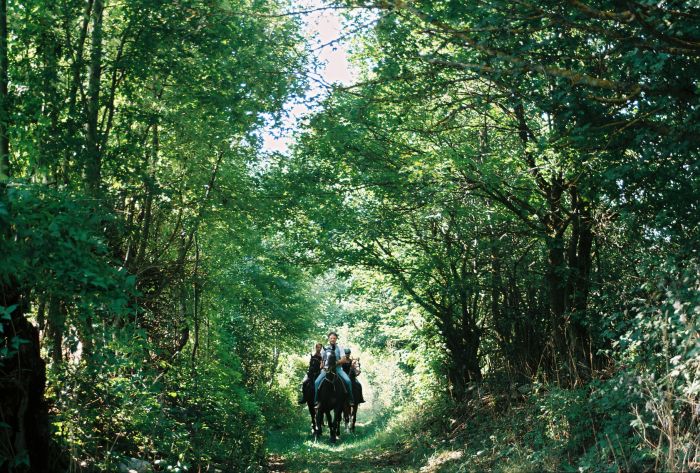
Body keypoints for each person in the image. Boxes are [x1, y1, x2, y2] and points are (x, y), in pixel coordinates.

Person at [314, 331, 354, 407]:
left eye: (334, 338)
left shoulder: (340, 348)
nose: (332, 339)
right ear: (329, 339)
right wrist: (322, 364)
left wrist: (334, 363)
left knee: (348, 381)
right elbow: (322, 360)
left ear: (336, 339)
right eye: (331, 338)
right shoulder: (324, 349)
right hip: (326, 370)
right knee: (316, 382)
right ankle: (317, 400)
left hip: (338, 369)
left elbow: (343, 360)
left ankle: (350, 399)